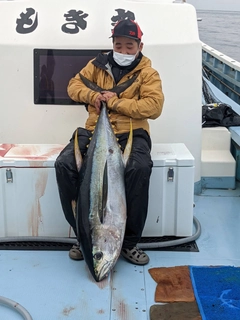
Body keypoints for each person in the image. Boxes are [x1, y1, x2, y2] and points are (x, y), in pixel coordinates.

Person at [55, 19, 164, 265]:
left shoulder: (147, 73)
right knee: (64, 165)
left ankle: (129, 243)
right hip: (95, 130)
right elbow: (73, 86)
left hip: (131, 133)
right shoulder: (96, 65)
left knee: (139, 168)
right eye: (118, 45)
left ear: (140, 45)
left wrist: (114, 102)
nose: (123, 51)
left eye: (129, 46)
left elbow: (154, 106)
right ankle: (85, 235)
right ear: (112, 44)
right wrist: (93, 95)